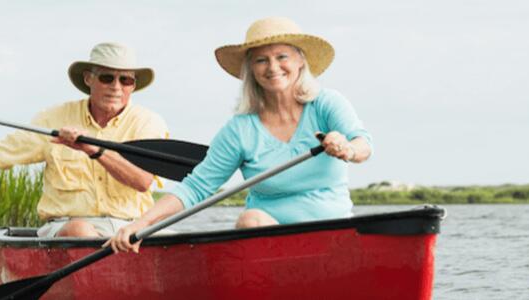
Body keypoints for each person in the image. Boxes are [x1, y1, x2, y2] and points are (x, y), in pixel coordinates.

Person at [105, 17, 373, 253]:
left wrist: (347, 149)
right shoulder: (240, 129)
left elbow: (363, 145)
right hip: (272, 246)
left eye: (282, 56)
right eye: (261, 60)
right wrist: (141, 224)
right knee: (250, 218)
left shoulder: (326, 103)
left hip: (336, 235)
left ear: (300, 60)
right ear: (251, 70)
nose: (272, 66)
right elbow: (197, 187)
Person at [0, 42, 169, 238]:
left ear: (133, 86)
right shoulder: (53, 118)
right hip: (66, 228)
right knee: (80, 230)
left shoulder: (149, 122)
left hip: (134, 226)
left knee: (177, 236)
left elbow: (142, 181)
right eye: (106, 77)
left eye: (125, 80)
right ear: (89, 79)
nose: (116, 86)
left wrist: (92, 149)